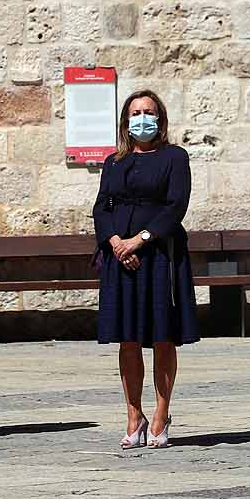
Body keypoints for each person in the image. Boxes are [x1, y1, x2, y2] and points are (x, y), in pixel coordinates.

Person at [93, 90, 198, 451]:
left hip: (159, 256)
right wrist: (115, 243)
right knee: (129, 338)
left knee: (162, 337)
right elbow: (101, 207)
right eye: (135, 112)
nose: (142, 118)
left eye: (148, 112)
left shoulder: (174, 158)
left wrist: (140, 240)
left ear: (160, 119)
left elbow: (175, 206)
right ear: (126, 120)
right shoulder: (113, 162)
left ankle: (161, 412)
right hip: (119, 256)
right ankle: (133, 413)